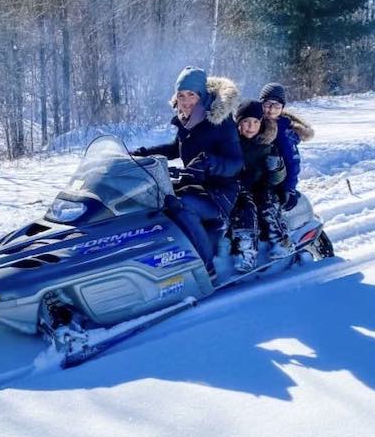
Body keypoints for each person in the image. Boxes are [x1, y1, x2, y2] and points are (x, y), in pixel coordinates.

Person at [134, 66, 242, 279]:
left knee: (180, 207)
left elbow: (235, 162)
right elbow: (176, 148)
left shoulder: (220, 122)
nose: (185, 100)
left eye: (191, 94)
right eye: (181, 95)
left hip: (219, 194)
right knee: (154, 198)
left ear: (201, 96)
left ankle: (206, 267)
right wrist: (141, 154)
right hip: (195, 185)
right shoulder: (188, 120)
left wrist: (210, 163)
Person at [230, 99, 289, 272]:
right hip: (239, 189)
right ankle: (246, 252)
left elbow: (277, 178)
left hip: (262, 187)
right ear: (239, 123)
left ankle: (281, 240)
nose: (251, 126)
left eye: (256, 122)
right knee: (244, 209)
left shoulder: (266, 145)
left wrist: (277, 168)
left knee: (267, 200)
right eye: (246, 122)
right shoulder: (233, 144)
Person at [258, 82, 314, 215]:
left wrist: (289, 188)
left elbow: (292, 162)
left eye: (276, 106)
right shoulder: (255, 122)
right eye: (267, 104)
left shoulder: (283, 131)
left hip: (276, 181)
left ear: (282, 108)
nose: (271, 109)